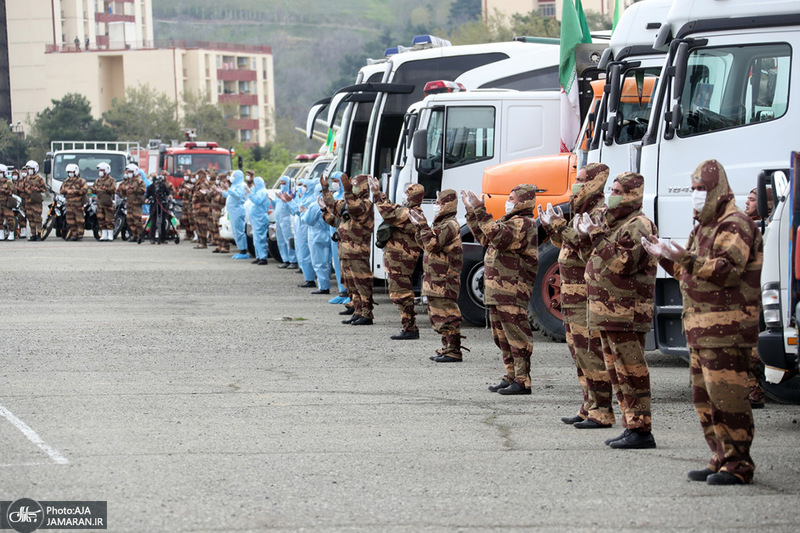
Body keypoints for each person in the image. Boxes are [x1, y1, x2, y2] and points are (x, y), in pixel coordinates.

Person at [643, 159, 761, 485]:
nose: (696, 195)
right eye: (693, 189)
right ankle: (720, 457)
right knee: (704, 400)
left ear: (718, 190)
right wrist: (665, 257)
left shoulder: (735, 224)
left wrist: (685, 257)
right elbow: (688, 273)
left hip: (727, 330)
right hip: (700, 330)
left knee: (729, 400)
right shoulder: (703, 227)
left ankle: (739, 465)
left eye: (702, 189)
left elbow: (726, 269)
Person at [577, 171, 658, 449]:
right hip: (608, 312)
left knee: (632, 371)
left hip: (626, 312)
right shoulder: (616, 224)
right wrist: (589, 235)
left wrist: (597, 235)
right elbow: (594, 258)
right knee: (618, 373)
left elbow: (623, 263)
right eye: (612, 189)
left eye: (618, 190)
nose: (612, 195)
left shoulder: (638, 225)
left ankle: (642, 429)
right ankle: (631, 424)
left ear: (633, 195)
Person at [539, 164, 615, 426]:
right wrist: (553, 228)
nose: (577, 184)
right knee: (579, 354)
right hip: (570, 297)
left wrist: (562, 225)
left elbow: (588, 249)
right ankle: (588, 405)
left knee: (591, 353)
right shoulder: (581, 211)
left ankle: (602, 411)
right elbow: (565, 244)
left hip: (586, 297)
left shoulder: (600, 214)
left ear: (595, 182)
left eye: (582, 180)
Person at [464, 184, 537, 388]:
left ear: (523, 201)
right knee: (501, 336)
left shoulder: (523, 224)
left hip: (512, 291)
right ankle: (511, 375)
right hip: (498, 291)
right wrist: (471, 212)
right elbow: (485, 238)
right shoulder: (509, 222)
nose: (508, 201)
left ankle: (523, 380)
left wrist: (480, 209)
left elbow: (497, 237)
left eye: (512, 198)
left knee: (516, 335)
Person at [408, 189, 463, 361]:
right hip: (435, 279)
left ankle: (454, 350)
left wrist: (423, 225)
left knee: (448, 314)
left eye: (439, 202)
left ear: (447, 204)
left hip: (445, 279)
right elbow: (424, 243)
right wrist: (419, 227)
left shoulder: (450, 225)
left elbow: (432, 244)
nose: (435, 205)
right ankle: (446, 347)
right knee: (438, 315)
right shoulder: (440, 224)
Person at [369, 177, 424, 340]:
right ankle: (408, 326)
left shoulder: (411, 213)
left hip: (402, 263)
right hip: (398, 262)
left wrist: (377, 193)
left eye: (408, 192)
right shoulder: (407, 210)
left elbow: (389, 213)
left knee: (402, 294)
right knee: (399, 294)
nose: (404, 194)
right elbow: (393, 210)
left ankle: (410, 328)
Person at [322, 173, 374, 325]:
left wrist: (348, 191)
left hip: (358, 252)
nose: (353, 187)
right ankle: (357, 311)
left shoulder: (365, 204)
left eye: (356, 185)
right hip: (346, 251)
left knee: (361, 283)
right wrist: (325, 190)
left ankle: (367, 313)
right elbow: (334, 207)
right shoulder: (349, 201)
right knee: (351, 284)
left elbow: (354, 207)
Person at [320, 172, 350, 305]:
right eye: (332, 180)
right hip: (336, 236)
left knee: (348, 267)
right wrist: (323, 209)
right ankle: (342, 292)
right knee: (337, 265)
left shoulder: (348, 199)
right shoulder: (336, 197)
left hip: (348, 239)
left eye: (336, 180)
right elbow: (333, 218)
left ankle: (350, 294)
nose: (334, 183)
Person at [303, 182, 332, 293]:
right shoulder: (331, 203)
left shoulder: (314, 205)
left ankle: (324, 287)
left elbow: (308, 220)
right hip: (328, 234)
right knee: (327, 261)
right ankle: (327, 284)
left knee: (319, 262)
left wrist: (303, 213)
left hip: (316, 236)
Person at [286, 178, 316, 286]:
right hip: (300, 230)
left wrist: (290, 202)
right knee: (302, 252)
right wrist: (289, 202)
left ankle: (310, 279)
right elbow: (295, 211)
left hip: (305, 230)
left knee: (306, 253)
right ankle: (308, 277)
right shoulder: (303, 198)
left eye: (303, 185)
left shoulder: (311, 199)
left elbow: (300, 213)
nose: (301, 188)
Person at [225, 169, 250, 259]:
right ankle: (241, 249)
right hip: (233, 211)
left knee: (239, 231)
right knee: (235, 231)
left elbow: (238, 195)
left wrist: (228, 190)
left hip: (238, 210)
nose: (232, 178)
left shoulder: (242, 185)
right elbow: (231, 196)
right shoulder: (235, 185)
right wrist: (224, 192)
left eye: (234, 176)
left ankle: (243, 251)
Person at [118, 164, 145, 243]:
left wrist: (134, 189)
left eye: (130, 171)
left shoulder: (139, 181)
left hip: (136, 203)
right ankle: (134, 235)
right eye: (128, 171)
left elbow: (142, 190)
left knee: (137, 220)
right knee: (130, 220)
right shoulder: (127, 181)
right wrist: (122, 189)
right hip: (129, 203)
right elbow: (124, 193)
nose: (129, 173)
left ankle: (141, 236)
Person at [274, 177, 298, 269]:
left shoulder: (291, 194)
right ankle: (285, 259)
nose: (282, 184)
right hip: (279, 220)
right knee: (281, 240)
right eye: (281, 183)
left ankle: (293, 260)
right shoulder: (280, 194)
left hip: (287, 220)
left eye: (284, 183)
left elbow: (292, 207)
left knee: (289, 240)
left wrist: (285, 200)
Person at [61, 163, 88, 241]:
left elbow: (84, 190)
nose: (70, 173)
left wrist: (74, 191)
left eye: (72, 172)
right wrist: (66, 191)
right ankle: (74, 234)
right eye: (69, 172)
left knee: (80, 220)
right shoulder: (66, 181)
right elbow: (62, 190)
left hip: (78, 204)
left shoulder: (81, 181)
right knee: (70, 220)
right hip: (69, 204)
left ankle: (80, 235)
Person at [20, 160, 47, 241]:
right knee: (30, 218)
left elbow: (44, 189)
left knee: (37, 218)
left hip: (36, 202)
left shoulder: (39, 179)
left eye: (31, 168)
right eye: (28, 168)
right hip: (28, 201)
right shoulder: (26, 179)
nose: (29, 170)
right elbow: (23, 188)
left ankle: (39, 233)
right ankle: (33, 234)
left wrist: (37, 189)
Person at [248, 177, 271, 265]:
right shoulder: (258, 191)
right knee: (256, 238)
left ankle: (263, 257)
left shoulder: (262, 192)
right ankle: (258, 256)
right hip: (256, 218)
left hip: (260, 218)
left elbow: (257, 201)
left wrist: (250, 193)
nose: (253, 185)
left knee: (260, 238)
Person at [93, 162, 116, 241]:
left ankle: (110, 235)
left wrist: (106, 189)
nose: (100, 172)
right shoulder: (98, 180)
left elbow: (113, 189)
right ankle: (104, 235)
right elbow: (94, 189)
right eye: (100, 170)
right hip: (99, 203)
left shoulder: (111, 180)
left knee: (109, 219)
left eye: (102, 170)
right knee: (101, 219)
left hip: (108, 203)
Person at [209, 174, 229, 253]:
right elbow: (210, 198)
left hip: (220, 212)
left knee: (222, 229)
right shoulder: (217, 188)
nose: (216, 181)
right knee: (216, 230)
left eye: (218, 179)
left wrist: (219, 192)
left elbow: (221, 200)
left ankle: (225, 246)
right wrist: (212, 191)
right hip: (214, 212)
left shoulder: (225, 190)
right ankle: (219, 245)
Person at [191, 170, 211, 249]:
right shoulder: (198, 184)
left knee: (202, 226)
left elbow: (203, 194)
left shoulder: (203, 184)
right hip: (197, 208)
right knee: (198, 225)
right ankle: (200, 242)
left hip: (202, 208)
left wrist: (195, 196)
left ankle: (203, 243)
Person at [177, 172, 195, 241]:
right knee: (185, 219)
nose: (186, 177)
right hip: (184, 204)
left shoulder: (193, 184)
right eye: (185, 176)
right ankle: (188, 234)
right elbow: (178, 193)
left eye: (187, 176)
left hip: (190, 204)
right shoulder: (182, 183)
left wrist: (188, 192)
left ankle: (193, 234)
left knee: (191, 220)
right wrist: (182, 191)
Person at [0, 164, 15, 240]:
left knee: (10, 219)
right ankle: (1, 233)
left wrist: (5, 191)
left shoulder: (8, 182)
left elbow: (13, 190)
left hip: (6, 203)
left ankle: (11, 233)